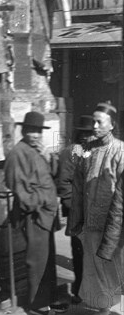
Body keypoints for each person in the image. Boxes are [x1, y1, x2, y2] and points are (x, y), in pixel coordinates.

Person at [4, 111, 68, 315]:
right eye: (31, 130)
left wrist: (48, 156)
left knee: (48, 258)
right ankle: (36, 304)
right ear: (23, 131)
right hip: (34, 214)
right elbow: (20, 190)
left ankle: (48, 298)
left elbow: (53, 175)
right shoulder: (17, 153)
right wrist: (41, 201)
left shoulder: (38, 150)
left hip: (47, 213)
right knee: (37, 259)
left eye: (38, 131)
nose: (35, 135)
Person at [67, 100, 124, 315]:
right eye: (94, 121)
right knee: (97, 269)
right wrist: (77, 220)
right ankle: (104, 310)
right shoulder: (87, 151)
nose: (95, 125)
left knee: (114, 267)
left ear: (112, 125)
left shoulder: (120, 151)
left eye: (100, 121)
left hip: (113, 223)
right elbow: (78, 187)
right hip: (91, 223)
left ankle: (106, 309)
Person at [57, 115, 93, 303]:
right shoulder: (70, 153)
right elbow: (63, 184)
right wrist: (75, 208)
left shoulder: (95, 152)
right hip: (78, 215)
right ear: (78, 134)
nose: (87, 137)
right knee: (79, 254)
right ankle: (79, 292)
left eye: (90, 133)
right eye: (84, 133)